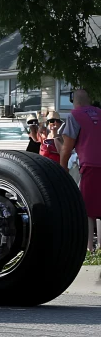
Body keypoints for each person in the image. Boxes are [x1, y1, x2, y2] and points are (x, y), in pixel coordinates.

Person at [59, 89, 101, 251]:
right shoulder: (99, 112)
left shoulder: (74, 116)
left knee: (87, 209)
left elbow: (66, 148)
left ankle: (89, 247)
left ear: (74, 101)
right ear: (89, 100)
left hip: (89, 165)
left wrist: (63, 170)